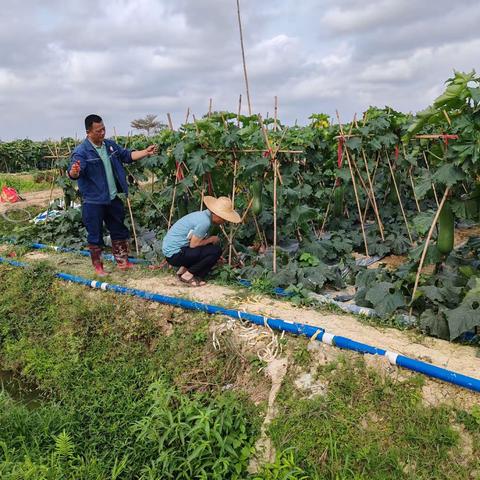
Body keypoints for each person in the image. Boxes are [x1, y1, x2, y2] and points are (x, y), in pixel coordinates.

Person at [68, 114, 158, 276]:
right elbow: (75, 172)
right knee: (95, 235)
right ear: (88, 132)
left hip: (112, 197)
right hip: (93, 201)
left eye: (103, 129)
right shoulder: (82, 152)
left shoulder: (109, 146)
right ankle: (99, 268)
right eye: (98, 131)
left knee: (119, 230)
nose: (102, 133)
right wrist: (74, 172)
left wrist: (145, 152)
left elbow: (127, 155)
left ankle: (122, 262)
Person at [162, 196, 241, 286]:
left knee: (208, 249)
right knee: (216, 251)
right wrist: (211, 239)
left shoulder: (201, 215)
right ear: (216, 214)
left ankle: (182, 272)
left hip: (172, 252)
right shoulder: (205, 222)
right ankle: (188, 275)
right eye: (223, 219)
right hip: (175, 255)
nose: (223, 222)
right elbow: (193, 245)